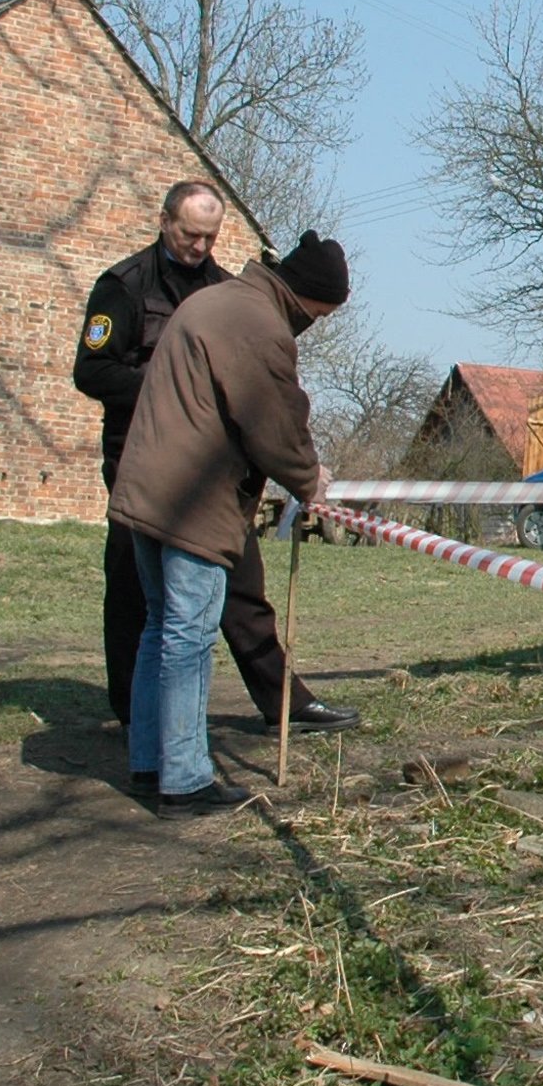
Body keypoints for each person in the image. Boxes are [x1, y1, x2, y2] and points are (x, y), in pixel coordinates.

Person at [73, 183, 358, 741]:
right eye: (189, 233)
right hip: (139, 454)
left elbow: (263, 395)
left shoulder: (226, 292)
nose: (199, 246)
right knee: (137, 591)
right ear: (164, 222)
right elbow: (93, 371)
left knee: (243, 584)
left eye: (210, 236)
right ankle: (136, 716)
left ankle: (283, 701)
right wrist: (170, 388)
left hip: (215, 472)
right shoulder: (124, 286)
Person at [109, 230, 348, 818]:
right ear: (310, 298)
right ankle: (186, 780)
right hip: (193, 501)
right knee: (188, 638)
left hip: (147, 488)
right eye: (323, 311)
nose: (318, 321)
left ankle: (148, 762)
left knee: (159, 630)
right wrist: (309, 479)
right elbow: (274, 421)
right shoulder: (258, 325)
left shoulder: (213, 301)